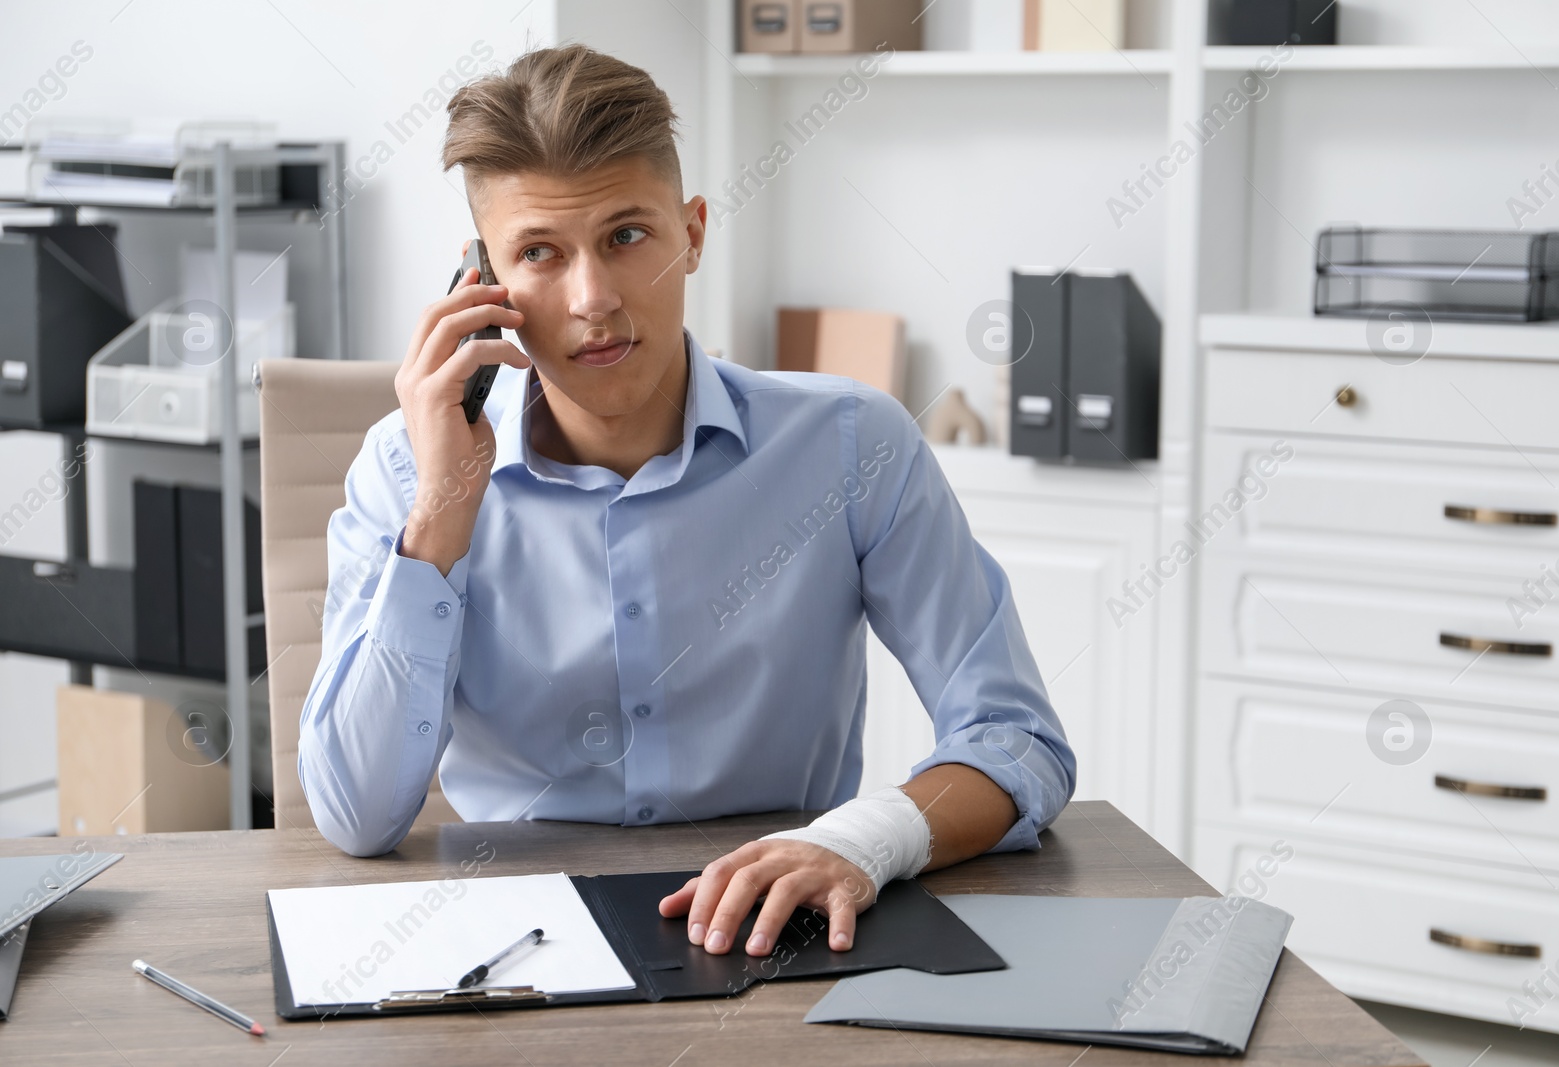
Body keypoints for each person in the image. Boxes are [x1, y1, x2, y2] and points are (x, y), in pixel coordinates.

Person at [300, 43, 1074, 961]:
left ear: (694, 232)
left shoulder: (853, 446)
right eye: (540, 253)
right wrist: (440, 515)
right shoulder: (404, 471)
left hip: (778, 938)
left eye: (627, 237)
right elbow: (356, 817)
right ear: (483, 281)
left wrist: (858, 844)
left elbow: (1017, 741)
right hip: (515, 943)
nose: (593, 299)